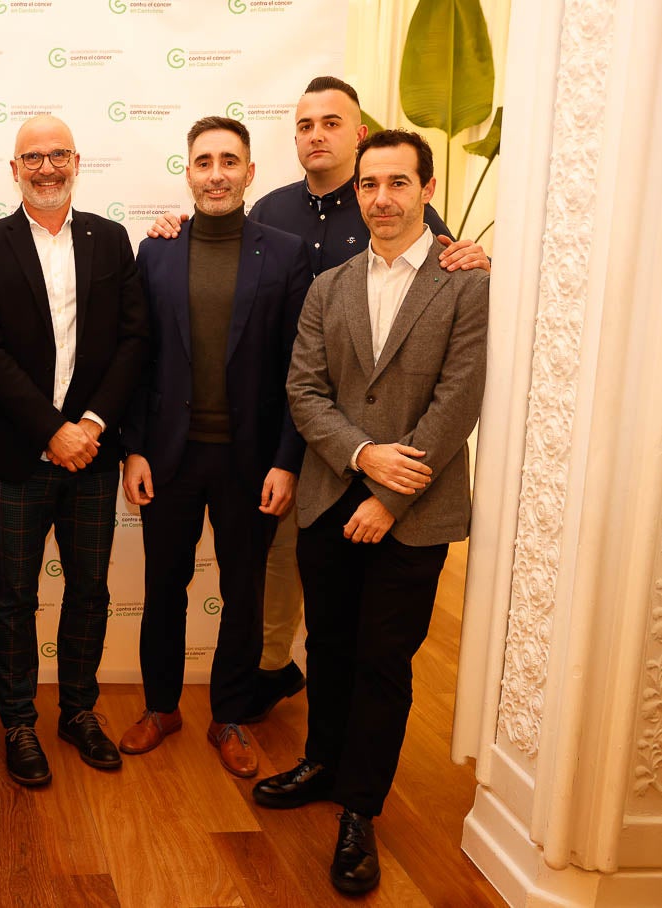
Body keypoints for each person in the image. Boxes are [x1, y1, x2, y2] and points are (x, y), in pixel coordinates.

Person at [150, 75, 491, 723]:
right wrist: (176, 226)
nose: (315, 135)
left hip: (384, 441)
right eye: (304, 125)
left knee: (365, 629)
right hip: (287, 427)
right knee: (279, 569)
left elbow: (449, 281)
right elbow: (216, 253)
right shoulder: (271, 209)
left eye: (330, 123)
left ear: (357, 135)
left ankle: (330, 726)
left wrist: (479, 257)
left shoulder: (392, 205)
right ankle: (271, 672)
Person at [258, 130, 488, 895]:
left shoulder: (468, 284)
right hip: (329, 497)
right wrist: (360, 459)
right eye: (368, 185)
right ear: (354, 193)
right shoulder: (328, 285)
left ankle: (358, 810)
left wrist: (389, 494)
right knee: (326, 644)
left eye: (397, 182)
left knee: (381, 661)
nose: (381, 198)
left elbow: (458, 400)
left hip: (415, 513)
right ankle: (322, 762)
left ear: (426, 189)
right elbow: (304, 392)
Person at [118, 118, 311, 779]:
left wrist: (287, 459)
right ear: (188, 172)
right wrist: (133, 449)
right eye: (203, 162)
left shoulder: (284, 254)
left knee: (244, 591)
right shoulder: (158, 251)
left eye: (229, 160)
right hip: (168, 457)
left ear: (250, 173)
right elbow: (138, 359)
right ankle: (161, 706)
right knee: (162, 587)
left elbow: (298, 369)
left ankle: (228, 715)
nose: (216, 173)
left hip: (249, 462)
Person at [0, 115, 148, 787]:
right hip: (16, 458)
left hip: (93, 456)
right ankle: (17, 720)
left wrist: (92, 425)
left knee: (89, 592)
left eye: (57, 155)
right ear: (13, 169)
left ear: (77, 160)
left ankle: (77, 711)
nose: (45, 167)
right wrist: (50, 429)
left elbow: (132, 341)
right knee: (13, 597)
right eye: (31, 157)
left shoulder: (110, 238)